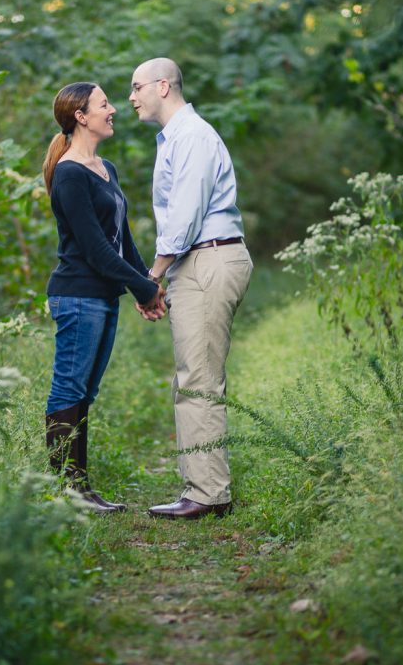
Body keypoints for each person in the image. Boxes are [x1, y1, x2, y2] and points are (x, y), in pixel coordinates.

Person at [129, 58, 253, 520]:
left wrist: (152, 277)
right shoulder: (176, 138)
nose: (131, 97)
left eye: (137, 87)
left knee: (198, 379)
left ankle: (207, 494)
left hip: (207, 257)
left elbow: (184, 216)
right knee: (193, 376)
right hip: (197, 259)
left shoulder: (193, 136)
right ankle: (202, 486)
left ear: (163, 86)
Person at [42, 81, 165, 514]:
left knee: (84, 393)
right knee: (69, 390)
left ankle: (81, 490)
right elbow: (94, 249)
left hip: (102, 296)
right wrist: (144, 288)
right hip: (77, 295)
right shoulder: (70, 173)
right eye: (104, 104)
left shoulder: (104, 167)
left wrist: (145, 281)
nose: (113, 109)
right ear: (81, 116)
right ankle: (67, 492)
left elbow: (121, 240)